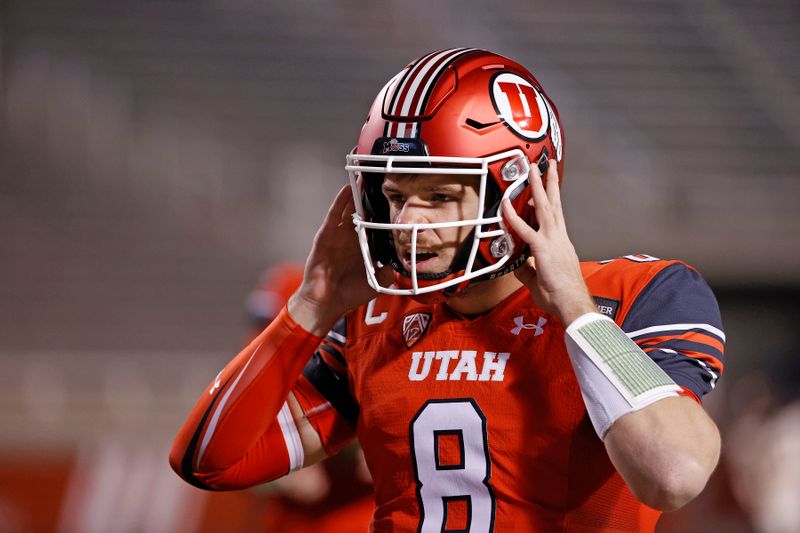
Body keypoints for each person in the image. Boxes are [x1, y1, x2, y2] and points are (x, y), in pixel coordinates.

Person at [170, 48, 725, 532]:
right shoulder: (373, 319)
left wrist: (578, 315)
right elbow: (210, 461)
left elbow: (672, 476)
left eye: (439, 196)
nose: (409, 222)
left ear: (520, 193)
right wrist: (310, 307)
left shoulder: (637, 294)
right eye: (395, 194)